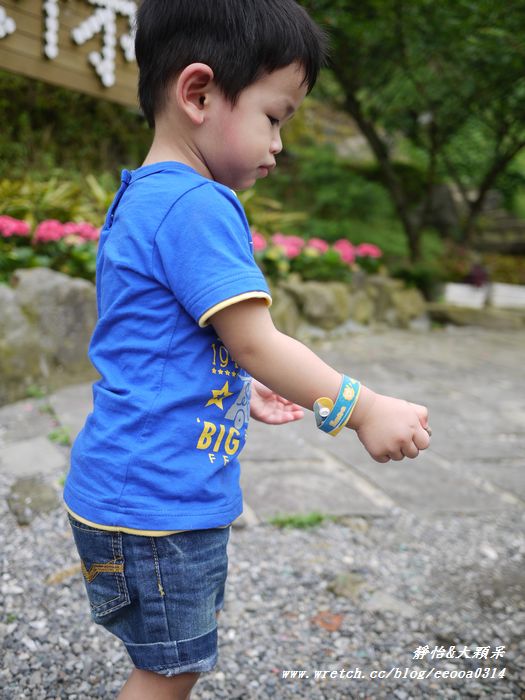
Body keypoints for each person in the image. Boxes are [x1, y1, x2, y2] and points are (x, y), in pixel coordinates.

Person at [64, 1, 431, 698]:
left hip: (123, 492)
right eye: (274, 116)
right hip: (160, 507)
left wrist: (232, 379)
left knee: (167, 658)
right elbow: (257, 341)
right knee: (169, 672)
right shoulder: (198, 205)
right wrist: (362, 408)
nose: (279, 144)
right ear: (199, 93)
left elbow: (160, 337)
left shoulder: (143, 198)